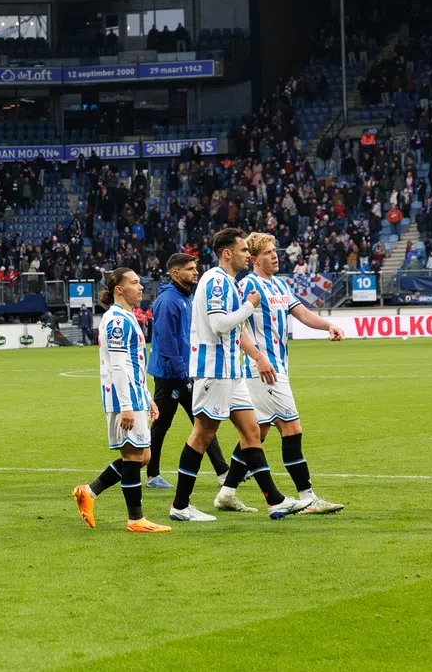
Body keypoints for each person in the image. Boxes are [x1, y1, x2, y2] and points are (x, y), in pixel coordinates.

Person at [166, 228, 304, 522]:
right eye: (243, 251)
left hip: (232, 370)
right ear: (227, 253)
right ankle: (180, 506)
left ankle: (275, 501)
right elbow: (219, 325)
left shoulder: (228, 281)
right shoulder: (217, 281)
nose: (247, 255)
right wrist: (249, 306)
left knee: (251, 431)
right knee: (202, 434)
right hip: (214, 370)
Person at [217, 233, 347, 515]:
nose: (275, 256)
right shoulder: (248, 285)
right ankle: (308, 497)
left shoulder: (279, 285)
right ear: (253, 259)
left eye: (275, 251)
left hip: (276, 367)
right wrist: (259, 357)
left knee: (258, 433)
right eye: (267, 252)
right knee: (291, 428)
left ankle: (226, 492)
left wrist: (328, 326)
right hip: (262, 370)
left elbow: (302, 314)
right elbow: (235, 328)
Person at [71, 268, 171, 533]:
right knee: (133, 455)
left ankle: (89, 492)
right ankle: (135, 519)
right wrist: (126, 405)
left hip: (135, 394)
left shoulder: (127, 316)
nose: (141, 287)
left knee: (143, 456)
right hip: (122, 397)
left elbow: (133, 364)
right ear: (119, 289)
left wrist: (147, 397)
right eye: (135, 283)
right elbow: (117, 365)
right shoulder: (117, 319)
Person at [145, 252, 229, 489]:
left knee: (202, 421)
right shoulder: (167, 301)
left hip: (185, 373)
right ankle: (152, 475)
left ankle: (223, 471)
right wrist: (184, 375)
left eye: (195, 268)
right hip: (170, 376)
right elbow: (167, 343)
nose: (196, 272)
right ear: (176, 273)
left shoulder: (186, 298)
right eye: (190, 269)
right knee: (163, 424)